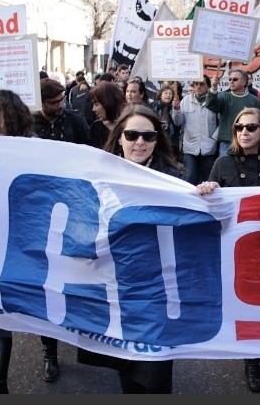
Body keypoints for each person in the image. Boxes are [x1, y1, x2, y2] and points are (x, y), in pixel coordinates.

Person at [77, 105, 182, 394]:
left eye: (148, 136)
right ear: (119, 137)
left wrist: (207, 195)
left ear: (157, 140)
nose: (140, 142)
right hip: (115, 290)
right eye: (132, 134)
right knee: (129, 369)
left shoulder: (173, 180)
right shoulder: (97, 179)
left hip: (158, 291)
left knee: (156, 369)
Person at [196, 107, 260, 393]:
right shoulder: (222, 163)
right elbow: (210, 206)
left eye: (251, 127)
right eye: (239, 127)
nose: (244, 132)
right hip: (233, 246)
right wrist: (207, 188)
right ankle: (244, 355)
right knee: (241, 304)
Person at [0, 89, 38, 393]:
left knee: (40, 302)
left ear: (6, 114)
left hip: (27, 241)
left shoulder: (34, 148)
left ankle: (50, 351)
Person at [205, 66, 260, 157]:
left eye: (235, 79)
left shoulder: (254, 100)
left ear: (244, 82)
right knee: (225, 170)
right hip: (227, 142)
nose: (231, 81)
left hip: (248, 142)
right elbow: (210, 105)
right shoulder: (224, 96)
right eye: (230, 79)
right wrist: (213, 87)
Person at [171, 75, 219, 185]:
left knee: (207, 180)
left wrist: (214, 139)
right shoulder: (186, 100)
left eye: (202, 84)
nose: (198, 86)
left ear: (208, 86)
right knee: (189, 178)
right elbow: (178, 122)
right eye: (196, 84)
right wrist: (176, 109)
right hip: (190, 147)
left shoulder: (214, 100)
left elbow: (221, 122)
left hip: (209, 147)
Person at [34, 77, 89, 145]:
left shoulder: (75, 120)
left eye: (62, 100)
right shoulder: (31, 124)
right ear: (42, 103)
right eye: (54, 103)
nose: (60, 105)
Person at [88, 81, 127, 148]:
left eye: (96, 104)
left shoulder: (129, 126)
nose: (93, 109)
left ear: (108, 102)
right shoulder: (96, 127)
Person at [152, 83, 181, 156]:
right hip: (157, 138)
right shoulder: (153, 106)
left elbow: (178, 123)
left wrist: (176, 109)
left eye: (170, 93)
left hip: (171, 141)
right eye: (165, 93)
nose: (168, 95)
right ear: (160, 95)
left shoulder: (175, 107)